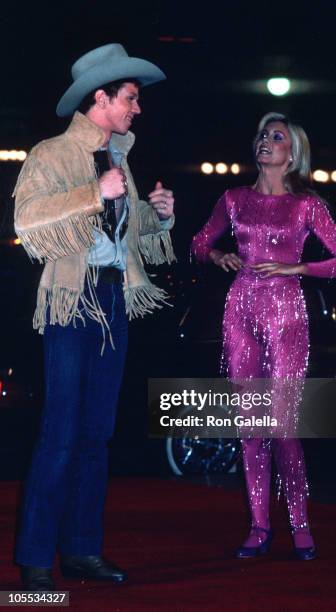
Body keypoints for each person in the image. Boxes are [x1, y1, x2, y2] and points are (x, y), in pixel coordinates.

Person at [13, 43, 175, 591]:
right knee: (59, 433)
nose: (137, 108)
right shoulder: (51, 154)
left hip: (111, 300)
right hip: (70, 303)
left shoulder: (120, 160)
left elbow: (123, 237)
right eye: (130, 98)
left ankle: (82, 551)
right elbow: (28, 220)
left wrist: (158, 219)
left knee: (96, 434)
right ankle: (35, 561)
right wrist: (91, 193)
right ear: (100, 97)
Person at [191, 112, 336, 560]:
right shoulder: (233, 198)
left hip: (286, 310)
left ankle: (301, 526)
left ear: (292, 154)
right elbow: (199, 242)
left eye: (277, 137)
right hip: (241, 308)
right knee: (251, 425)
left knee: (283, 425)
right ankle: (259, 526)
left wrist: (297, 267)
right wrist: (218, 254)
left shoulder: (306, 205)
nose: (266, 141)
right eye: (263, 135)